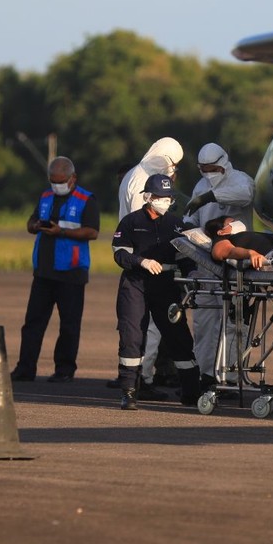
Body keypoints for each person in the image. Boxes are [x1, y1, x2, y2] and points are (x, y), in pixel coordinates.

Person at [112, 174, 201, 410]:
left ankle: (191, 392)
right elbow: (120, 254)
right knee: (132, 337)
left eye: (169, 198)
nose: (165, 202)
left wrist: (191, 274)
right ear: (148, 197)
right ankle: (129, 392)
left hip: (166, 286)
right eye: (161, 197)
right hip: (135, 284)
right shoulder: (130, 222)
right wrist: (141, 261)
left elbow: (187, 257)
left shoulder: (176, 224)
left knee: (178, 337)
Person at [11, 156, 100, 383]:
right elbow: (32, 221)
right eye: (52, 181)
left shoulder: (86, 199)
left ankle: (64, 369)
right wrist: (35, 226)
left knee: (69, 325)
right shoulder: (45, 196)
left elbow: (92, 232)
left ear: (72, 179)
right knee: (33, 322)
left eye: (60, 181)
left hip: (72, 271)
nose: (56, 185)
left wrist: (61, 232)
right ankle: (25, 367)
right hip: (44, 270)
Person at [110, 137, 185, 397]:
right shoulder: (145, 179)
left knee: (136, 326)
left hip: (135, 261)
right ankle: (144, 378)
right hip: (145, 264)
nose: (173, 170)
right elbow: (144, 223)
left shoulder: (136, 173)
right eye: (173, 165)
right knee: (148, 325)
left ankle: (138, 376)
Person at [183, 142, 256, 389]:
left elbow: (245, 196)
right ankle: (206, 375)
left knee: (234, 325)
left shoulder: (240, 180)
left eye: (213, 168)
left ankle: (232, 377)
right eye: (204, 169)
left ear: (224, 163)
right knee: (204, 323)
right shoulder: (200, 185)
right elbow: (191, 217)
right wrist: (187, 227)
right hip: (207, 262)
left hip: (236, 264)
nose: (208, 173)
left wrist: (209, 197)